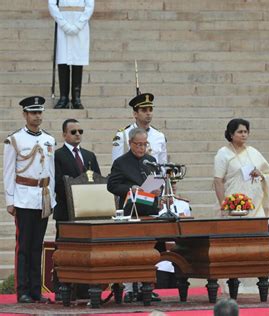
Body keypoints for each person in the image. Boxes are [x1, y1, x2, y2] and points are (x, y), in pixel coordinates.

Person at [213, 118, 269, 294]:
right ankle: (236, 285)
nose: (244, 135)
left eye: (246, 131)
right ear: (231, 134)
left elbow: (267, 173)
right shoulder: (223, 154)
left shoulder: (253, 152)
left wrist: (260, 174)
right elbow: (218, 180)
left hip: (255, 205)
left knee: (259, 243)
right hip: (234, 207)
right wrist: (224, 205)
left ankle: (267, 283)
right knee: (234, 245)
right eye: (240, 132)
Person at [3, 96, 56, 303]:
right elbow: (8, 172)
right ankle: (22, 289)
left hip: (41, 196)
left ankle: (36, 289)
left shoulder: (49, 140)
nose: (37, 116)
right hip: (24, 196)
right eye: (33, 112)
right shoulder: (14, 140)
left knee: (37, 245)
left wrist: (51, 199)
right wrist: (10, 200)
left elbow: (50, 171)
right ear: (25, 114)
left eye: (39, 112)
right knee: (23, 246)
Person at [107, 128, 162, 303]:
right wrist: (129, 189)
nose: (142, 148)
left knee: (151, 250)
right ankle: (131, 289)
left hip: (150, 210)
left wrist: (157, 190)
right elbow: (112, 185)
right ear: (130, 143)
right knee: (132, 252)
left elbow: (157, 181)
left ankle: (148, 286)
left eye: (145, 144)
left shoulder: (151, 161)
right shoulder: (121, 162)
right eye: (138, 144)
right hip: (131, 212)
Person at [53, 118, 101, 300]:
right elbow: (57, 182)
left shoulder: (89, 156)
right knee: (64, 252)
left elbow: (98, 179)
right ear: (64, 134)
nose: (78, 134)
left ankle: (83, 289)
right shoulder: (58, 155)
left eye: (80, 131)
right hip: (66, 212)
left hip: (87, 214)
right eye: (73, 132)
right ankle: (61, 289)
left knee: (85, 252)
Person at [48, 0, 94, 109]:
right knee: (62, 60)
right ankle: (63, 97)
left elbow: (90, 6)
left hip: (80, 25)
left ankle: (76, 98)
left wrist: (79, 25)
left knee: (77, 61)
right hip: (62, 22)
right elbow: (52, 4)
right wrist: (63, 24)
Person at [112, 93, 167, 165]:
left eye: (150, 110)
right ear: (135, 114)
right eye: (144, 110)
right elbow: (116, 163)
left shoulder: (159, 136)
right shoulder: (122, 135)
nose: (148, 113)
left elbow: (162, 165)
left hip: (153, 175)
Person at [156, 181, 191, 289]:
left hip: (179, 255)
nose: (172, 187)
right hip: (161, 258)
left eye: (173, 184)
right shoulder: (156, 206)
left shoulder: (183, 204)